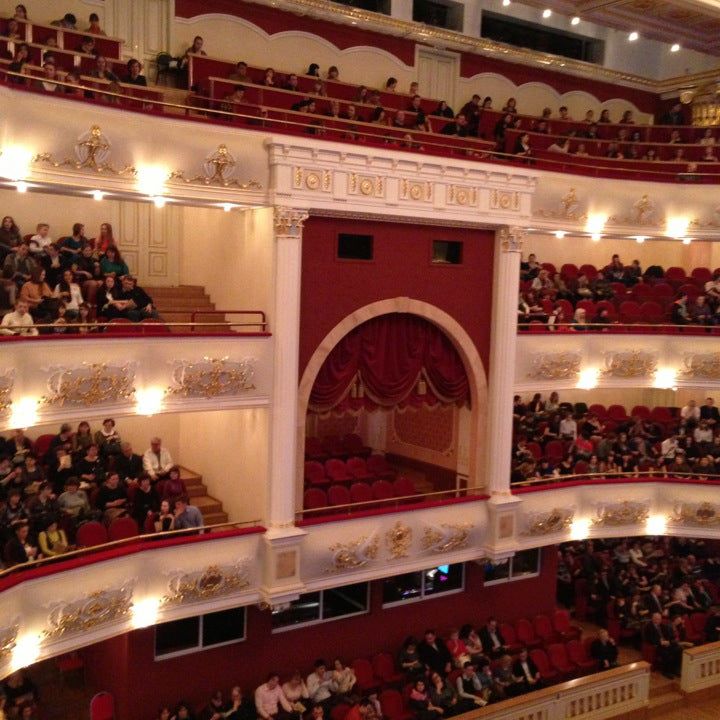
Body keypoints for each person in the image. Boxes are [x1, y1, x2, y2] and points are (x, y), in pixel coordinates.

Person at [644, 613, 682, 678]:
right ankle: (666, 671)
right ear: (653, 619)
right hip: (657, 645)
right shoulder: (648, 627)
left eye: (660, 619)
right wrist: (660, 642)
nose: (659, 620)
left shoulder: (662, 625)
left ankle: (675, 669)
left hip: (666, 643)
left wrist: (668, 641)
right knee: (666, 653)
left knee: (679, 649)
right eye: (657, 619)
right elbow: (648, 639)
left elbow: (668, 635)